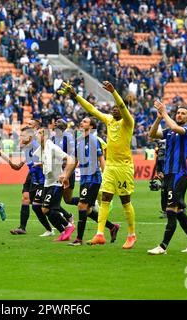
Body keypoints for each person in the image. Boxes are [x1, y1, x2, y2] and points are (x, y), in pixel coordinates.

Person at [58, 81, 137, 248]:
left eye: (117, 107)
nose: (114, 109)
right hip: (110, 168)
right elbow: (92, 109)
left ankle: (131, 234)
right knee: (106, 199)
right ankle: (100, 234)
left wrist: (114, 92)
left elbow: (123, 106)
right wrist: (75, 95)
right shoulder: (109, 120)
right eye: (113, 107)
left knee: (125, 201)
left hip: (124, 167)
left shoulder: (128, 122)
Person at [147, 100, 187, 254]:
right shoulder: (170, 132)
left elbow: (175, 127)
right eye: (178, 112)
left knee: (170, 210)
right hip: (169, 174)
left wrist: (164, 113)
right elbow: (151, 135)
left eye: (183, 113)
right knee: (178, 212)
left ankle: (162, 246)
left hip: (179, 175)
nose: (179, 115)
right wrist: (158, 118)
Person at [66, 117, 120, 246]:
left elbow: (101, 159)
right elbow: (75, 161)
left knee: (81, 206)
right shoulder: (79, 142)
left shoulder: (94, 140)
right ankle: (112, 227)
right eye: (82, 121)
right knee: (88, 210)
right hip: (84, 178)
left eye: (85, 122)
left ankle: (79, 239)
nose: (81, 123)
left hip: (93, 178)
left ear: (91, 127)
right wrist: (66, 176)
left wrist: (107, 177)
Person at [33, 128, 77, 241]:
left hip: (56, 183)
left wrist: (65, 174)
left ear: (44, 136)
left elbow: (70, 159)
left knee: (46, 209)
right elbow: (48, 163)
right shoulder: (42, 149)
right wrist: (40, 164)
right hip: (48, 183)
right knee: (46, 210)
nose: (35, 136)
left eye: (38, 134)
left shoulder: (52, 147)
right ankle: (63, 233)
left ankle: (68, 226)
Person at [10, 126, 55, 236]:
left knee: (43, 206)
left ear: (30, 136)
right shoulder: (27, 147)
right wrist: (21, 163)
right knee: (27, 199)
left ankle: (64, 219)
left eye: (23, 135)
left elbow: (44, 163)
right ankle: (22, 228)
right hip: (33, 179)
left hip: (42, 180)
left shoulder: (37, 147)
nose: (20, 137)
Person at [51, 119, 77, 222]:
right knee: (53, 200)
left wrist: (67, 172)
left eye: (58, 122)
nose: (55, 123)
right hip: (56, 173)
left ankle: (89, 202)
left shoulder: (68, 137)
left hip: (66, 172)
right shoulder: (52, 138)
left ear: (63, 126)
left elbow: (72, 156)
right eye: (55, 122)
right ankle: (68, 217)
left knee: (68, 200)